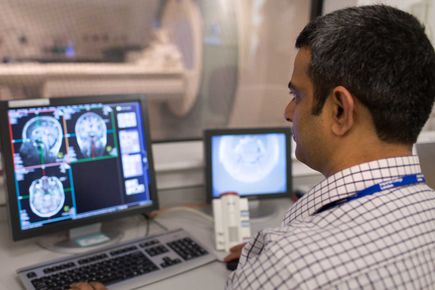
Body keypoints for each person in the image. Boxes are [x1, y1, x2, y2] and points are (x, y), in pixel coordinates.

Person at [71, 4, 435, 290]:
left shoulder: (290, 268)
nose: (287, 111)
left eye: (297, 95)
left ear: (340, 110)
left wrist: (272, 269)